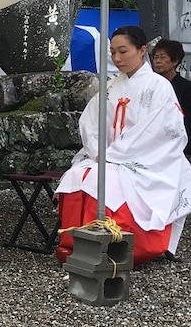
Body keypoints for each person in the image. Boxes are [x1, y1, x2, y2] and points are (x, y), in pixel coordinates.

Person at [55, 26, 191, 266]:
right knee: (79, 174)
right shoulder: (111, 87)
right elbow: (91, 122)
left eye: (122, 51)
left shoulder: (158, 87)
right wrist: (98, 151)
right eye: (112, 52)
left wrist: (116, 154)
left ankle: (121, 247)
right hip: (108, 155)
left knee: (110, 179)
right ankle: (76, 245)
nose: (117, 59)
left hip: (147, 158)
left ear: (141, 50)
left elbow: (162, 131)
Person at [151, 38, 191, 156]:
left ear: (175, 61)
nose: (158, 61)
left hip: (181, 147)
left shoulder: (186, 88)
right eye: (155, 57)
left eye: (163, 57)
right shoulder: (152, 87)